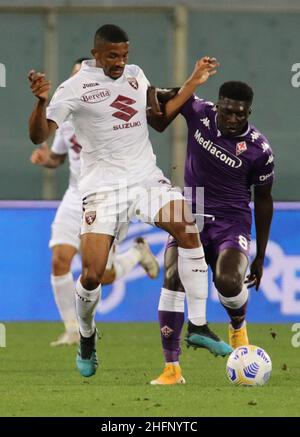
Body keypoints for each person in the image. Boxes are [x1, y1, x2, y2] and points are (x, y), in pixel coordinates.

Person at [28, 23, 223, 380]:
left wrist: (193, 82)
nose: (120, 62)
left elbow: (159, 119)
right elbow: (38, 135)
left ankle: (197, 326)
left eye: (125, 55)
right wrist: (41, 104)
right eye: (113, 56)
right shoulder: (73, 89)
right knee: (92, 275)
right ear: (97, 53)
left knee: (187, 227)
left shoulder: (136, 75)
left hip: (145, 178)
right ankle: (86, 337)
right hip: (102, 188)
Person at [148, 81, 274, 384]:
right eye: (228, 112)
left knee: (228, 282)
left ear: (249, 113)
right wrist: (155, 92)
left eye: (240, 115)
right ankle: (171, 369)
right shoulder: (198, 111)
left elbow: (264, 199)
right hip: (192, 210)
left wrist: (261, 257)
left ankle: (237, 326)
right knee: (172, 277)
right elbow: (158, 94)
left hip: (233, 219)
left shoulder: (260, 150)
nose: (232, 120)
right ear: (218, 106)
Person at [30, 58, 160, 347]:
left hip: (106, 196)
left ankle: (137, 254)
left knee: (102, 276)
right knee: (59, 259)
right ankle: (72, 329)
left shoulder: (109, 116)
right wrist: (46, 159)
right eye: (77, 77)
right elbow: (59, 157)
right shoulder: (65, 118)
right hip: (76, 194)